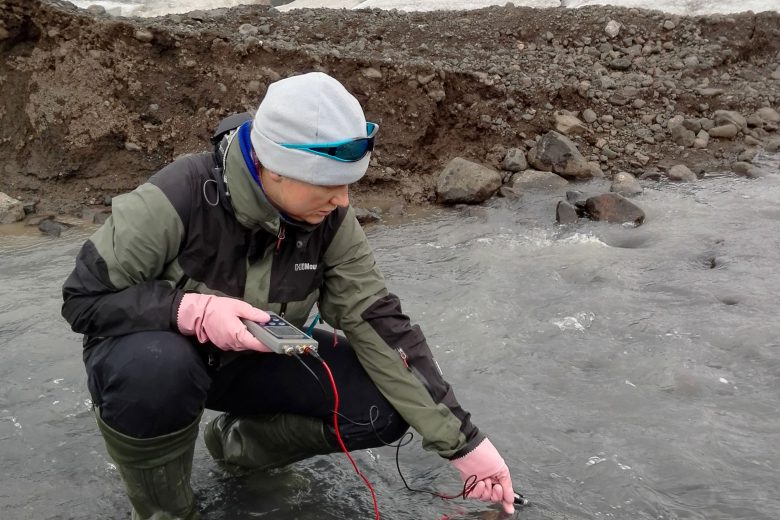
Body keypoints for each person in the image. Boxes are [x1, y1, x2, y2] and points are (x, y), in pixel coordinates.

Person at [61, 72, 516, 519]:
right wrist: (189, 310)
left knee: (382, 406)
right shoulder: (176, 197)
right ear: (274, 169)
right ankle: (167, 511)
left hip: (252, 361)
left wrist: (468, 446)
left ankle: (238, 447)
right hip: (157, 360)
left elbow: (378, 320)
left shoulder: (331, 220)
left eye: (348, 186)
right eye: (329, 186)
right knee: (155, 368)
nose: (342, 201)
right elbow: (83, 298)